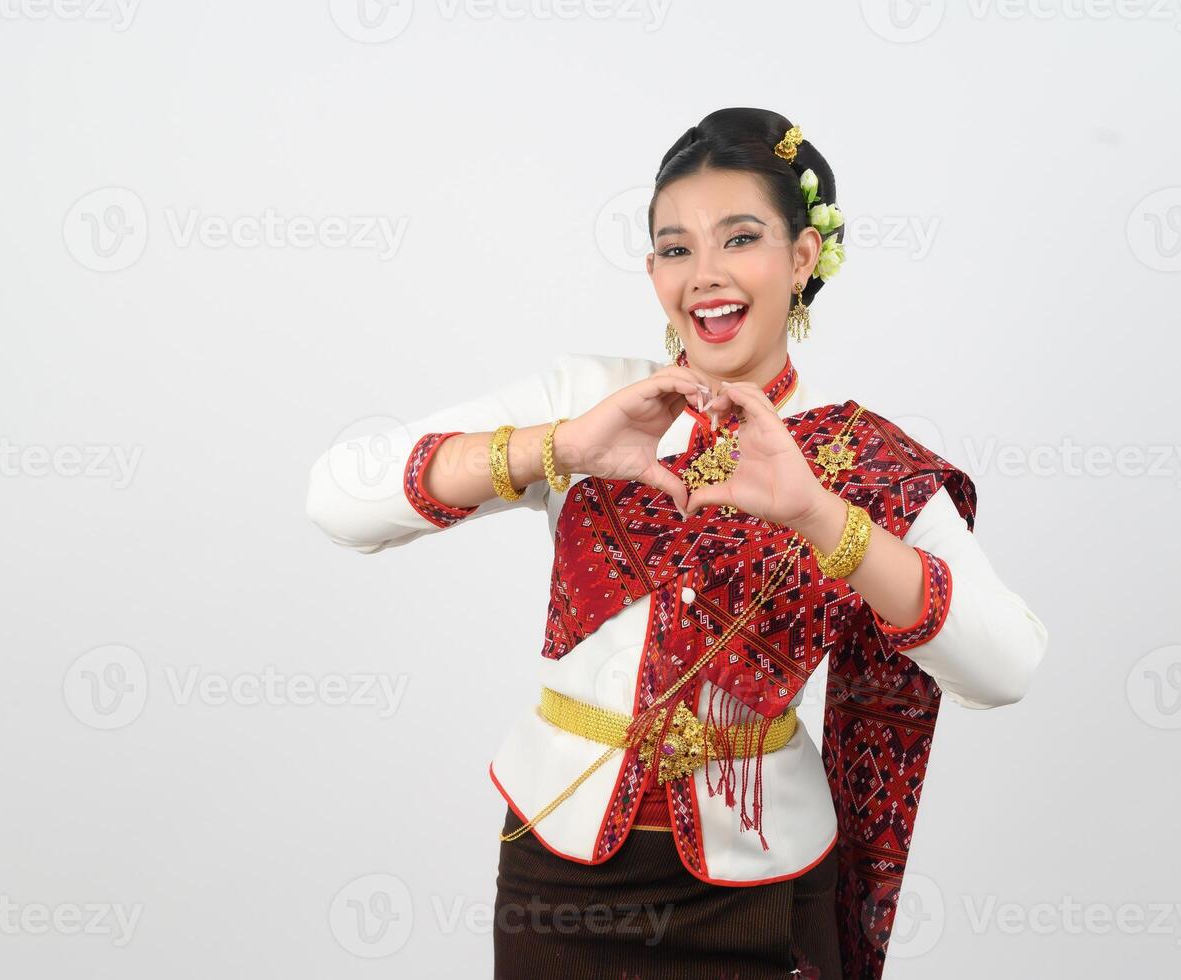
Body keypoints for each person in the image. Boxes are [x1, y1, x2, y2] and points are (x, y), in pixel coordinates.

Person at [306, 107, 1050, 980]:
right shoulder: (589, 395)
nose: (704, 275)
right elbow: (337, 499)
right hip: (557, 864)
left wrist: (820, 518)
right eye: (673, 247)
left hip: (762, 887)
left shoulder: (864, 460)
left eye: (740, 238)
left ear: (803, 257)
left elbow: (1006, 668)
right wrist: (560, 448)